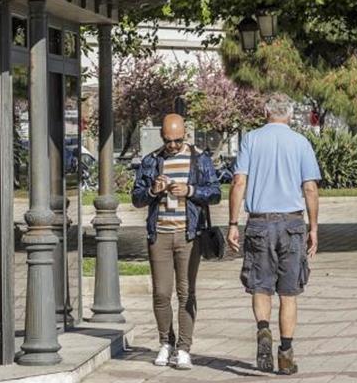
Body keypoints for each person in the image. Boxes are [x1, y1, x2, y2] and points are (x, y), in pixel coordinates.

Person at [225, 93, 320, 375]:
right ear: (289, 114)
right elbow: (310, 188)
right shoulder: (301, 142)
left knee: (260, 285)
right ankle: (286, 352)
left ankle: (263, 330)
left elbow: (239, 181)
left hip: (259, 223)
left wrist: (233, 223)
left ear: (266, 112)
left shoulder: (251, 139)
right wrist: (313, 228)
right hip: (291, 224)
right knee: (289, 293)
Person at [131, 113, 221, 370]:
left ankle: (183, 348)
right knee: (161, 293)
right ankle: (165, 343)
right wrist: (152, 191)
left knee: (186, 292)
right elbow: (137, 198)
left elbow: (215, 193)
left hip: (188, 234)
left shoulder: (199, 159)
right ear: (162, 136)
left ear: (186, 135)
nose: (172, 145)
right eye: (168, 140)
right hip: (159, 233)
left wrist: (190, 191)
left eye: (177, 140)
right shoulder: (151, 161)